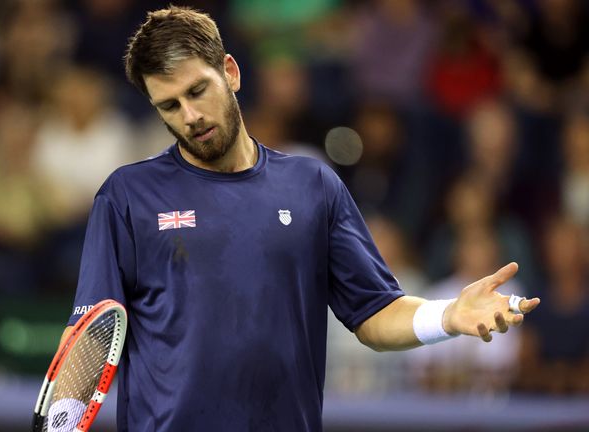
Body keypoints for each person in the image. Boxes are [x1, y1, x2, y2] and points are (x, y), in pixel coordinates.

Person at [63, 7, 540, 431]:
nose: (189, 116)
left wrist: (448, 316)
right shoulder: (126, 197)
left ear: (230, 72)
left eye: (197, 91)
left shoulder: (314, 186)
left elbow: (374, 313)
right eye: (170, 105)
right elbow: (87, 339)